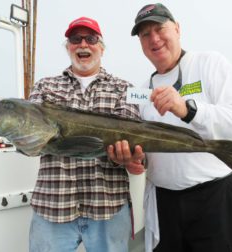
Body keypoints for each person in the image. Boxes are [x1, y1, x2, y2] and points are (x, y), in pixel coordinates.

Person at [109, 3, 232, 252]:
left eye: (160, 29)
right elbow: (146, 152)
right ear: (141, 43)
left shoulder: (209, 63)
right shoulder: (141, 90)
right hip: (164, 204)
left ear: (177, 29)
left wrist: (189, 109)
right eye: (145, 34)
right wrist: (136, 161)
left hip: (215, 200)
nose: (154, 38)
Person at [28, 16, 143, 252]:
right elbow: (28, 141)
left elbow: (133, 137)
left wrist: (131, 158)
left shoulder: (126, 89)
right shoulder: (44, 86)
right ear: (68, 46)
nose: (83, 44)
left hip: (107, 208)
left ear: (101, 47)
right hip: (52, 207)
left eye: (90, 38)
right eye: (75, 39)